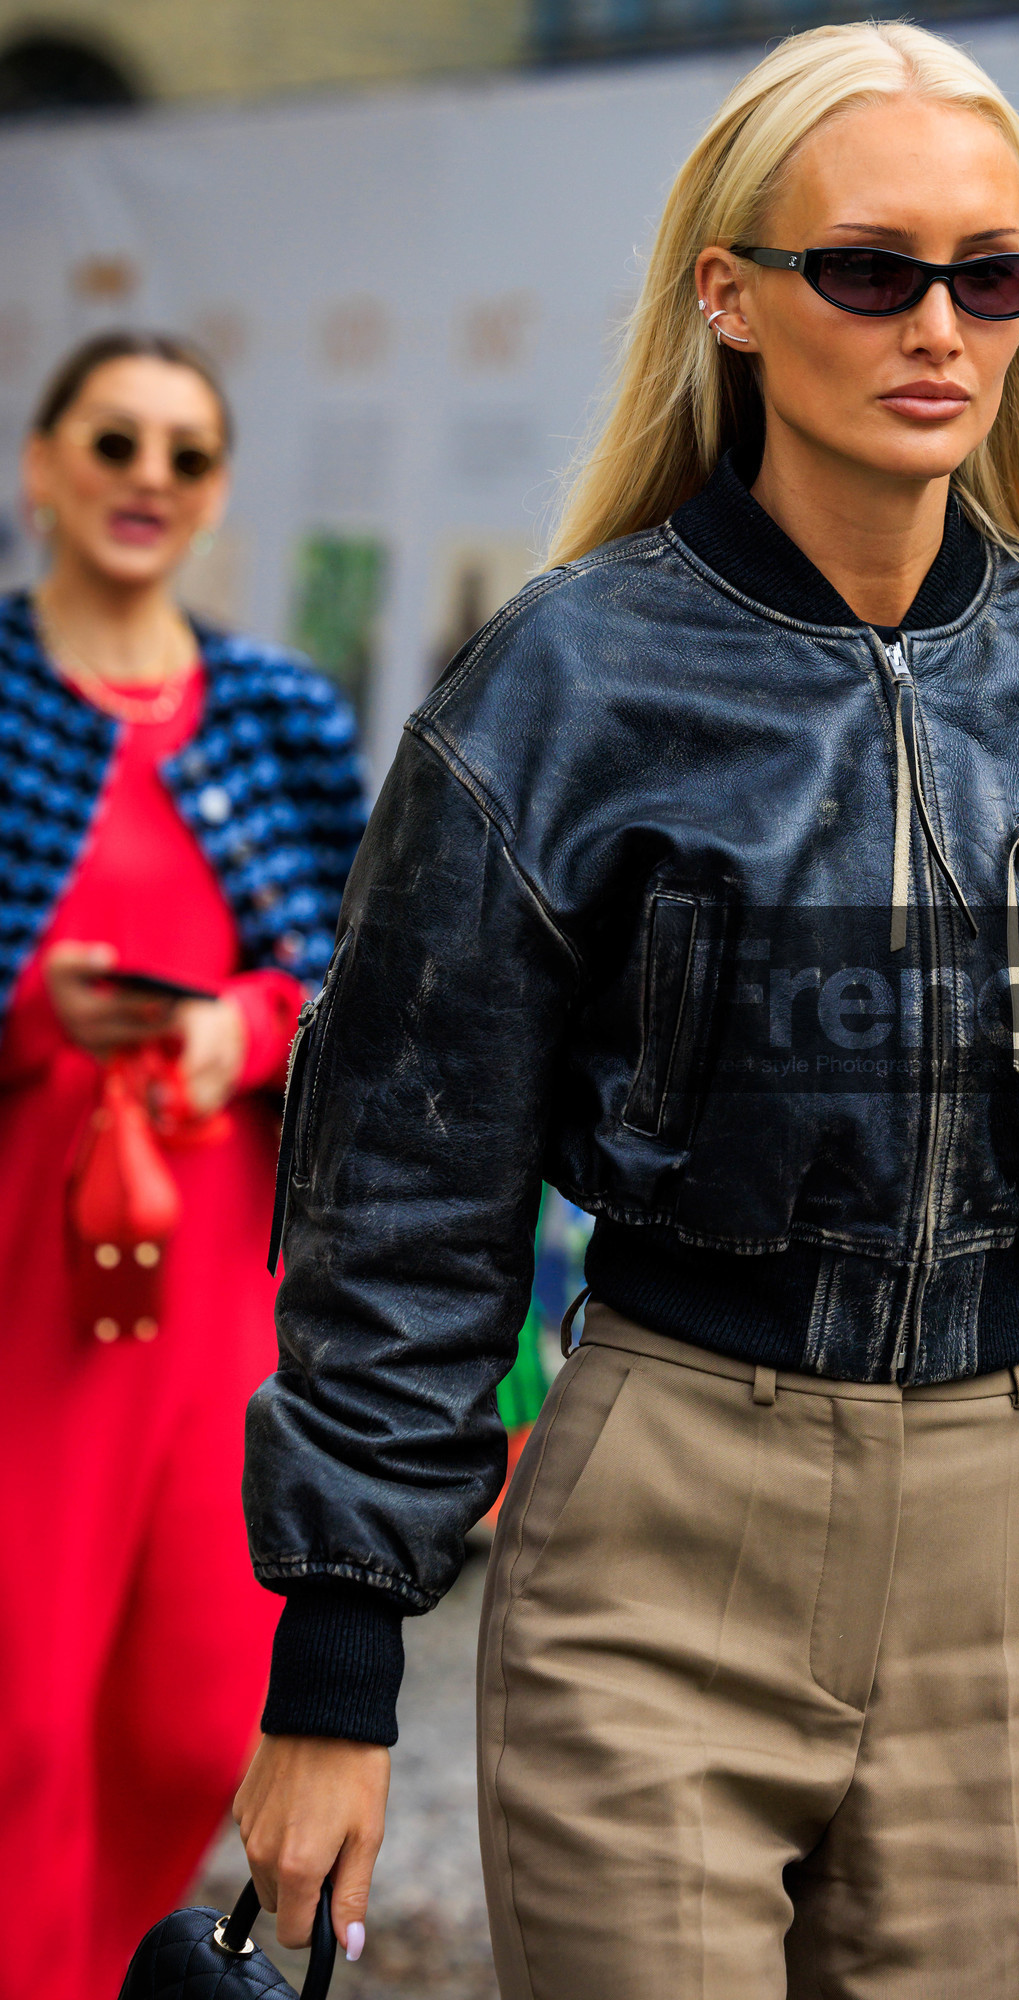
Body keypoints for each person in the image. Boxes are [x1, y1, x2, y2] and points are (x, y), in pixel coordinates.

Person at [236, 23, 1019, 1998]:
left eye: (993, 272)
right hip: (659, 1515)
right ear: (732, 295)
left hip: (1005, 1545)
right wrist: (339, 1665)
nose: (938, 322)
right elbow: (407, 1205)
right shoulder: (562, 685)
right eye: (869, 267)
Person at [0, 330, 364, 2000]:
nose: (149, 479)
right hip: (22, 1285)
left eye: (188, 456)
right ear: (44, 465)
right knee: (12, 1722)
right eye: (116, 442)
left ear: (217, 498)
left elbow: (368, 990)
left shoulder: (284, 714)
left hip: (219, 1284)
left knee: (184, 1724)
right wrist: (29, 1012)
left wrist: (254, 1022)